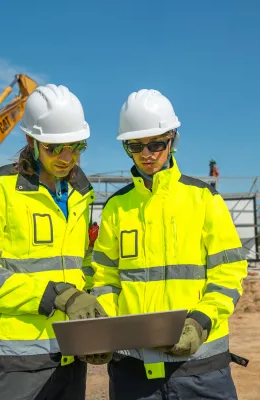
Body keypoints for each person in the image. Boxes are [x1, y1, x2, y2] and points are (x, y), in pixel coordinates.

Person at [90, 89, 248, 399]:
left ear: (172, 139)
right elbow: (105, 279)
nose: (146, 154)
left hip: (200, 369)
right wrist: (104, 331)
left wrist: (201, 321)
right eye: (135, 146)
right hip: (132, 371)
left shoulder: (203, 199)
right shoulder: (116, 208)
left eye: (156, 144)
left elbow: (229, 271)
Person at [0, 83, 107, 400]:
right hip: (8, 367)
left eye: (76, 146)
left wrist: (94, 328)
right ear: (31, 141)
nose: (67, 157)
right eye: (54, 148)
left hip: (69, 361)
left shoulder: (82, 194)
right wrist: (56, 295)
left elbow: (86, 268)